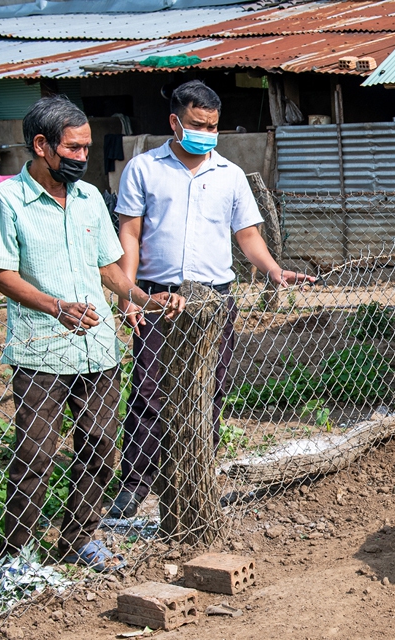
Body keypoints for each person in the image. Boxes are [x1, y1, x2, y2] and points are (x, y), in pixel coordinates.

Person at [0, 96, 185, 571]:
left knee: (99, 451)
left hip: (97, 350)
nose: (82, 157)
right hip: (42, 350)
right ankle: (18, 557)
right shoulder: (5, 200)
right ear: (42, 145)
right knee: (34, 456)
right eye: (72, 148)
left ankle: (76, 540)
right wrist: (57, 307)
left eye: (86, 148)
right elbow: (3, 276)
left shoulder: (91, 196)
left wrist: (143, 298)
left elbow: (109, 268)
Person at [109, 80, 315, 519]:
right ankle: (135, 483)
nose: (207, 132)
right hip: (158, 297)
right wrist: (131, 295)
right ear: (175, 122)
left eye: (213, 125)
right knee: (149, 390)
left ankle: (195, 467)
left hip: (215, 298)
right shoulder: (143, 169)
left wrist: (273, 269)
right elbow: (129, 232)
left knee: (212, 388)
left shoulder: (230, 175)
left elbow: (248, 236)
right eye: (198, 124)